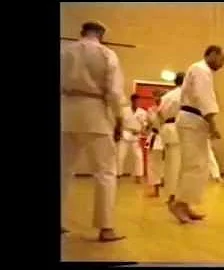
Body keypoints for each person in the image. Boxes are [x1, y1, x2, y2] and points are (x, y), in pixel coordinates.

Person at [61, 21, 126, 241]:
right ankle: (105, 227)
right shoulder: (107, 54)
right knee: (105, 172)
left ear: (82, 32)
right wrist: (119, 118)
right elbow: (115, 92)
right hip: (96, 113)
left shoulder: (65, 52)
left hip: (66, 112)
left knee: (62, 170)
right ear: (101, 34)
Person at [168, 45, 224, 224]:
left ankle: (185, 204)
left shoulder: (203, 71)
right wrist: (213, 123)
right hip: (192, 120)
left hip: (195, 121)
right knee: (193, 164)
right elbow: (203, 98)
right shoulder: (200, 69)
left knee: (199, 165)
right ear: (212, 54)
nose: (222, 64)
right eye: (221, 59)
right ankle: (179, 204)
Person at [158, 72, 185, 204]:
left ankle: (170, 193)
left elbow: (159, 113)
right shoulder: (184, 94)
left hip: (167, 128)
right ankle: (173, 195)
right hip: (178, 128)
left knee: (169, 164)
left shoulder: (167, 95)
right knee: (176, 164)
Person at [117, 94, 148, 183]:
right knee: (120, 156)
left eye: (138, 101)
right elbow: (119, 122)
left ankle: (138, 176)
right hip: (125, 134)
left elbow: (145, 125)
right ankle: (118, 175)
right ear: (132, 101)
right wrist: (118, 133)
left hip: (136, 136)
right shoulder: (124, 110)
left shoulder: (142, 112)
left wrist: (142, 130)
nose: (137, 102)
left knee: (138, 156)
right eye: (135, 101)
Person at [144, 127, 165, 197]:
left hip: (153, 152)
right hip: (160, 152)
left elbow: (147, 145)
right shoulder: (162, 134)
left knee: (153, 170)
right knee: (159, 170)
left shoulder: (152, 135)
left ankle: (156, 192)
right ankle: (157, 191)